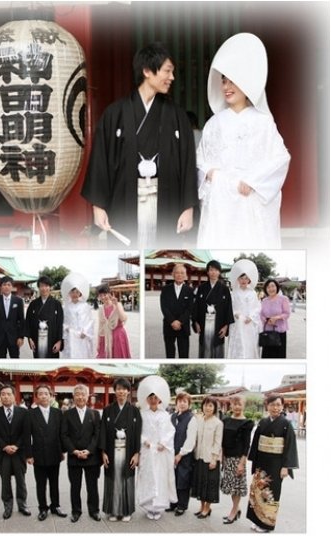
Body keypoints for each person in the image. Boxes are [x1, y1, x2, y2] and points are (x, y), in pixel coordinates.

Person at [81, 42, 197, 248]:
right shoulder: (114, 114)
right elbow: (100, 161)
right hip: (124, 201)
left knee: (159, 253)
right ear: (146, 71)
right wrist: (98, 207)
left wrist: (188, 208)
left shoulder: (177, 116)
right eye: (167, 71)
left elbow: (188, 163)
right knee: (129, 253)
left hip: (166, 201)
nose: (172, 78)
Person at [196, 33, 291, 249]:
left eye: (233, 81)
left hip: (250, 201)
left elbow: (280, 158)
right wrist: (209, 172)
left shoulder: (263, 123)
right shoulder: (213, 123)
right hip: (220, 203)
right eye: (223, 81)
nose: (227, 87)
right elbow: (200, 159)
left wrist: (254, 180)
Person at [247, 395, 299, 533]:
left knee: (271, 494)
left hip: (276, 464)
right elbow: (256, 442)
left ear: (282, 406)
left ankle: (266, 524)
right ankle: (257, 520)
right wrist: (254, 462)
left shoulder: (286, 424)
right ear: (267, 406)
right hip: (262, 463)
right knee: (257, 491)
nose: (275, 407)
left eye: (278, 405)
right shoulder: (263, 422)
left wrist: (286, 467)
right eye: (272, 405)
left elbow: (290, 446)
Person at [99, 378, 142, 522]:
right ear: (115, 391)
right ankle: (112, 511)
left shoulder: (135, 411)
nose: (121, 392)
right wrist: (103, 452)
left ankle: (126, 511)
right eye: (118, 389)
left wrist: (137, 453)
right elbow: (103, 431)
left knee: (126, 480)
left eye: (124, 389)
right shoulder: (107, 410)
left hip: (128, 451)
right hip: (111, 451)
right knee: (113, 480)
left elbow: (138, 433)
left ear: (128, 391)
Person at [0, 385, 32, 520]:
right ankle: (8, 506)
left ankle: (22, 504)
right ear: (0, 397)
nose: (5, 396)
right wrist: (5, 446)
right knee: (5, 480)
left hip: (19, 453)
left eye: (8, 394)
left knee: (21, 480)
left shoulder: (23, 412)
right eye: (3, 394)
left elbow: (26, 433)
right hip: (3, 453)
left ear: (14, 396)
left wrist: (17, 446)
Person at [136, 376, 177, 520]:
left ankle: (158, 507)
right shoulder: (142, 414)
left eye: (155, 397)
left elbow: (170, 431)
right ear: (147, 399)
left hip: (160, 452)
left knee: (160, 478)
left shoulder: (165, 415)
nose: (153, 400)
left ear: (160, 399)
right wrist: (144, 440)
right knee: (147, 477)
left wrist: (163, 443)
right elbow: (138, 431)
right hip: (147, 450)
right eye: (150, 397)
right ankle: (148, 506)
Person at [61, 384, 102, 523]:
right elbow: (64, 435)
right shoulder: (67, 414)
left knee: (92, 486)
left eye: (83, 394)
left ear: (87, 396)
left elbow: (97, 435)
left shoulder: (95, 414)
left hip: (91, 457)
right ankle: (76, 511)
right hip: (74, 456)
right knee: (75, 486)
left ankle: (94, 510)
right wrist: (74, 451)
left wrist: (89, 450)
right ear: (73, 397)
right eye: (77, 394)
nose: (80, 396)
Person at [27, 384, 67, 521]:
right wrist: (29, 455)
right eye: (41, 393)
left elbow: (62, 434)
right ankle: (43, 508)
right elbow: (27, 436)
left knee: (54, 482)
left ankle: (55, 506)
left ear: (51, 396)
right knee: (41, 484)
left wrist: (63, 451)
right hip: (38, 454)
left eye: (46, 393)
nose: (44, 396)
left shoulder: (58, 413)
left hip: (55, 453)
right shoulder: (31, 413)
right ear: (37, 397)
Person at [220, 395, 254, 524]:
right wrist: (222, 457)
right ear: (231, 406)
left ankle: (234, 511)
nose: (237, 407)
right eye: (234, 404)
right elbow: (223, 440)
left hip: (238, 459)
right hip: (227, 458)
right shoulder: (226, 420)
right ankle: (236, 508)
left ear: (243, 405)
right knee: (230, 486)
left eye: (239, 404)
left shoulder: (247, 423)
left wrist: (242, 463)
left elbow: (247, 445)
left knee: (237, 487)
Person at [193, 260, 234, 358]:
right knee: (205, 347)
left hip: (219, 323)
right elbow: (196, 306)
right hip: (204, 322)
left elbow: (228, 308)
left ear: (219, 272)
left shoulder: (224, 289)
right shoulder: (201, 288)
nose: (213, 272)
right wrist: (195, 322)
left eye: (216, 270)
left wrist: (226, 326)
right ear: (207, 272)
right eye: (211, 270)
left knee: (217, 348)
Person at [191, 396, 223, 518]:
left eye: (210, 405)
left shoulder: (218, 423)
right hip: (199, 456)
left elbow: (217, 442)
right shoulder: (199, 419)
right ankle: (201, 506)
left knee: (210, 485)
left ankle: (207, 508)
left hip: (210, 459)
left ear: (214, 408)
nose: (207, 407)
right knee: (200, 483)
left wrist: (214, 459)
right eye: (205, 405)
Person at [167, 391, 197, 516]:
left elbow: (191, 440)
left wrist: (180, 454)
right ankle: (173, 502)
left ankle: (182, 505)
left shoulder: (191, 419)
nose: (182, 404)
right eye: (180, 401)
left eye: (185, 401)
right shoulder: (172, 417)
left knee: (183, 479)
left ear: (189, 404)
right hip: (171, 453)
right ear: (176, 403)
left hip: (184, 455)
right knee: (172, 478)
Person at [227, 260, 262, 359]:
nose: (243, 280)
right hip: (237, 322)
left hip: (249, 323)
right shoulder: (234, 292)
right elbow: (231, 306)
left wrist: (251, 317)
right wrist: (236, 313)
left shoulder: (253, 293)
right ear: (238, 279)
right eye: (241, 278)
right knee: (238, 344)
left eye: (246, 278)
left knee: (249, 345)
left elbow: (257, 307)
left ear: (249, 280)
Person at [160, 263, 195, 358]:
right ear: (173, 274)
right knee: (170, 354)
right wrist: (172, 321)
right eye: (177, 273)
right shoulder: (166, 289)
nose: (179, 275)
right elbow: (164, 307)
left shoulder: (190, 290)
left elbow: (190, 308)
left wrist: (180, 321)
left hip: (183, 326)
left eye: (182, 273)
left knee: (184, 354)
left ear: (186, 275)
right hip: (169, 325)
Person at [25, 276, 64, 359]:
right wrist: (29, 338)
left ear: (50, 287)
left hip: (52, 341)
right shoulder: (33, 304)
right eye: (42, 286)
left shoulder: (57, 304)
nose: (44, 288)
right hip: (37, 339)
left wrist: (59, 341)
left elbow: (60, 323)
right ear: (39, 287)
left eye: (46, 286)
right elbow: (28, 322)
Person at [0, 275, 25, 358]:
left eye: (9, 285)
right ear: (1, 287)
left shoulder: (18, 301)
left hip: (14, 338)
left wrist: (21, 336)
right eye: (4, 285)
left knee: (15, 359)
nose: (6, 287)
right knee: (1, 359)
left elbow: (22, 320)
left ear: (12, 287)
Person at [60, 272, 95, 359]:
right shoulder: (66, 307)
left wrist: (85, 332)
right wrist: (66, 328)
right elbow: (62, 321)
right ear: (69, 293)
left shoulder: (85, 306)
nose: (74, 294)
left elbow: (90, 321)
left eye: (77, 292)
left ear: (80, 293)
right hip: (70, 337)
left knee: (82, 357)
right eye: (72, 292)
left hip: (82, 337)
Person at [96, 285, 131, 359]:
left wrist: (116, 305)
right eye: (100, 295)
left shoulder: (117, 305)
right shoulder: (101, 309)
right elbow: (100, 327)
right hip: (106, 336)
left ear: (109, 294)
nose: (103, 297)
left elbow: (123, 319)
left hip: (118, 336)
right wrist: (98, 343)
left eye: (104, 294)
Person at [259, 278, 290, 358]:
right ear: (266, 289)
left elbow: (287, 313)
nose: (271, 289)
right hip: (267, 333)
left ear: (277, 287)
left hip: (280, 333)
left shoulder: (283, 299)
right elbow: (261, 314)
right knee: (267, 356)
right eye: (268, 287)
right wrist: (266, 320)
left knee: (279, 356)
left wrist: (276, 318)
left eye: (273, 286)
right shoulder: (264, 301)